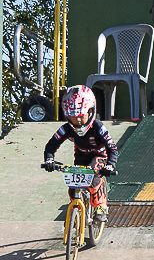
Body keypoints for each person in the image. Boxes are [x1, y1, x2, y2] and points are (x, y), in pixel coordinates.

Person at [41, 85, 119, 224]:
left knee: (93, 179)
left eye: (81, 116)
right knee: (73, 188)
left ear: (91, 111)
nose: (77, 121)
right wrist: (49, 159)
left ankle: (101, 207)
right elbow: (51, 145)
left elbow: (112, 148)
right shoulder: (66, 129)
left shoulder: (98, 127)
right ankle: (75, 211)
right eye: (73, 117)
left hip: (99, 156)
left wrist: (110, 165)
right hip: (80, 157)